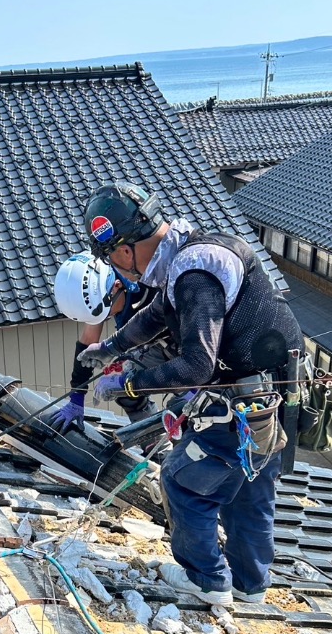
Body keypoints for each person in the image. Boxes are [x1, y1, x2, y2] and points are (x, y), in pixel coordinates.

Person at [78, 181, 304, 606]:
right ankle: (250, 586)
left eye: (112, 257)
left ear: (125, 249)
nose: (118, 268)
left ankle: (207, 581)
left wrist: (127, 384)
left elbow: (196, 366)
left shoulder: (194, 274)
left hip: (245, 398)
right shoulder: (192, 252)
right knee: (250, 485)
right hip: (275, 392)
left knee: (182, 481)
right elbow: (160, 314)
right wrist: (110, 348)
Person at [49, 252, 175, 431]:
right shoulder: (100, 292)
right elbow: (87, 345)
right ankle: (151, 439)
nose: (107, 317)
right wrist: (77, 396)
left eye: (106, 312)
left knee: (185, 410)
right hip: (154, 344)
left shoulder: (153, 285)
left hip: (191, 347)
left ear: (117, 286)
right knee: (118, 383)